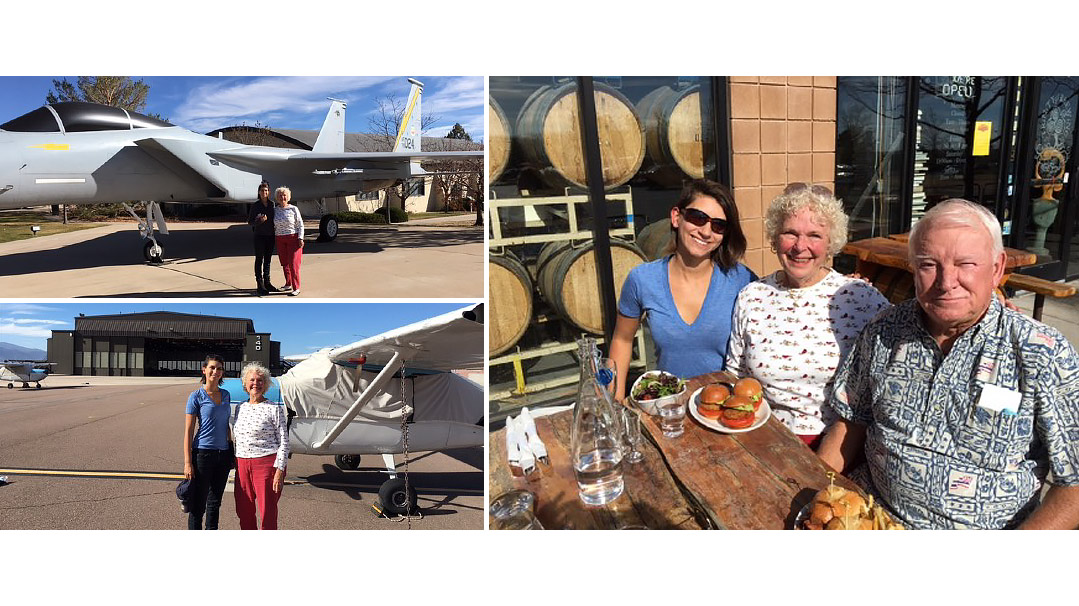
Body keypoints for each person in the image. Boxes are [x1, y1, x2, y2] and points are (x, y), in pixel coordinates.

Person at [817, 198, 1079, 529]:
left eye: (966, 264)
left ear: (997, 268)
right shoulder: (884, 330)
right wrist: (819, 492)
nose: (946, 281)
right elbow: (851, 420)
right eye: (929, 264)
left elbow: (1074, 485)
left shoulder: (1042, 353)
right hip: (871, 515)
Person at [725, 184, 889, 448]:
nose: (800, 246)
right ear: (775, 238)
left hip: (837, 445)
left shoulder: (861, 298)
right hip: (762, 437)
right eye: (790, 233)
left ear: (831, 243)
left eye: (814, 235)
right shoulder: (751, 296)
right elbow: (735, 374)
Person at [610, 179, 755, 401]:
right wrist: (614, 403)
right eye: (698, 218)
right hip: (669, 407)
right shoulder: (643, 280)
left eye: (718, 225)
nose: (706, 231)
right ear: (677, 217)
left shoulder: (741, 280)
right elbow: (622, 339)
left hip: (723, 411)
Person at [232, 362, 289, 530]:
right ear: (245, 383)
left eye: (260, 380)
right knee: (244, 510)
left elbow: (284, 441)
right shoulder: (240, 407)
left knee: (267, 512)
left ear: (265, 384)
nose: (255, 383)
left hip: (265, 464)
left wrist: (279, 470)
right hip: (242, 464)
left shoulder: (274, 408)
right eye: (251, 380)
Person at [183, 354, 233, 530]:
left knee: (215, 503)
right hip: (202, 454)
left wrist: (231, 448)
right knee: (198, 505)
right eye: (212, 367)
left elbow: (226, 425)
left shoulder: (226, 395)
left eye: (219, 368)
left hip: (223, 455)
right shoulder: (196, 396)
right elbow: (188, 432)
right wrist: (188, 463)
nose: (216, 371)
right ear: (204, 370)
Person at [273, 186, 304, 296]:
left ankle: (296, 287)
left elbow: (300, 224)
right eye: (280, 195)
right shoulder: (275, 210)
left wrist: (300, 237)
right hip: (280, 239)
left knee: (293, 264)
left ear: (288, 197)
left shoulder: (293, 209)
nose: (282, 197)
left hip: (293, 238)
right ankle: (288, 283)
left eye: (284, 195)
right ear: (277, 198)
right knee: (285, 263)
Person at [248, 181, 278, 296]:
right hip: (259, 236)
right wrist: (259, 221)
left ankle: (268, 282)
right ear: (259, 193)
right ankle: (260, 285)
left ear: (269, 192)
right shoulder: (255, 206)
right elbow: (250, 222)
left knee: (268, 260)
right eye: (262, 191)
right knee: (259, 260)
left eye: (266, 190)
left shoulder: (272, 204)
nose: (264, 192)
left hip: (270, 236)